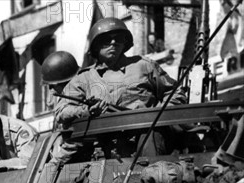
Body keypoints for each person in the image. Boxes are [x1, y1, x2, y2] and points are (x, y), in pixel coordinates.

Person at [57, 17, 187, 156]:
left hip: (147, 141)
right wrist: (87, 110)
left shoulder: (143, 65)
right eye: (107, 39)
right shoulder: (83, 79)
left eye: (118, 38)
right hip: (104, 149)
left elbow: (175, 92)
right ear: (95, 45)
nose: (113, 43)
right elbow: (62, 111)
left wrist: (158, 116)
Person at [40, 51, 83, 169]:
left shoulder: (77, 102)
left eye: (54, 86)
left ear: (69, 82)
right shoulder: (63, 101)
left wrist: (52, 164)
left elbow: (74, 142)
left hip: (76, 163)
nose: (52, 91)